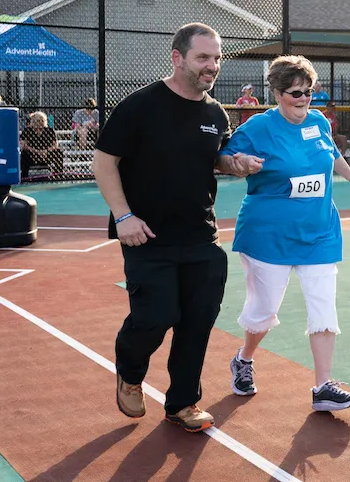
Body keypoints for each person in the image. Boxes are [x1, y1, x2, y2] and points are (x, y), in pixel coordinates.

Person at [93, 22, 261, 433]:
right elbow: (104, 162)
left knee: (197, 321)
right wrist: (123, 216)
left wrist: (231, 164)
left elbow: (212, 157)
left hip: (201, 236)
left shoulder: (214, 112)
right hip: (146, 235)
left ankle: (183, 403)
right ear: (178, 57)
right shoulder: (140, 105)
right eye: (203, 57)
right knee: (155, 316)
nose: (213, 66)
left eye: (217, 58)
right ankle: (130, 372)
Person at [220, 54, 350, 412]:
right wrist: (238, 165)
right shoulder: (259, 128)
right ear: (276, 93)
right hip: (268, 235)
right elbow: (222, 158)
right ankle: (244, 359)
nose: (303, 98)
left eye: (308, 91)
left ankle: (323, 386)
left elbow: (332, 154)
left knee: (323, 306)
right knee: (263, 311)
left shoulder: (319, 122)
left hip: (319, 231)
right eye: (294, 92)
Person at [20, 111, 64, 177]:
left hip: (46, 154)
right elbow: (23, 145)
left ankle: (58, 175)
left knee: (58, 152)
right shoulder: (27, 130)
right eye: (38, 121)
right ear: (33, 121)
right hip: (33, 155)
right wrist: (37, 152)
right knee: (24, 153)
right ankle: (24, 176)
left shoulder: (50, 130)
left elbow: (55, 145)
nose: (40, 123)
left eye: (42, 120)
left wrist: (46, 151)